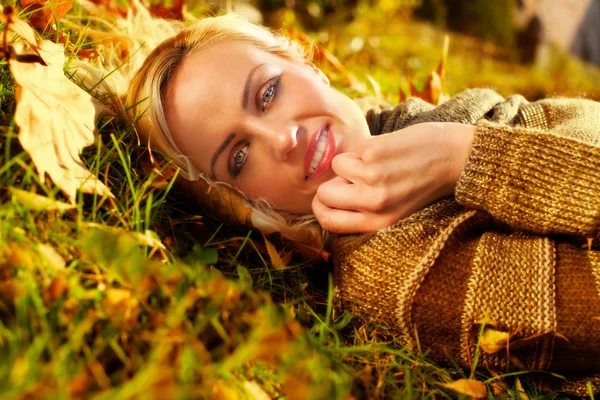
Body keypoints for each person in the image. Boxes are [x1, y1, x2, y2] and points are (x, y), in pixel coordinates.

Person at [125, 12, 600, 393]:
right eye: (240, 156)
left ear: (303, 62)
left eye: (268, 92)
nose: (284, 137)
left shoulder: (411, 123)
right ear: (241, 201)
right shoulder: (396, 271)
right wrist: (465, 157)